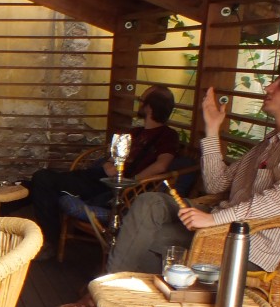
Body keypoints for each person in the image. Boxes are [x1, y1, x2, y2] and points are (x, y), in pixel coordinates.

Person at [57, 62, 280, 307]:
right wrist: (212, 130)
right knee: (149, 203)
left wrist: (214, 219)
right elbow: (217, 184)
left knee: (137, 241)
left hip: (248, 247)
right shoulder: (268, 143)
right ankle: (113, 298)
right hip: (217, 230)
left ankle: (116, 304)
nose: (269, 87)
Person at [29, 85, 180, 259]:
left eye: (141, 100)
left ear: (150, 107)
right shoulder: (136, 132)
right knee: (41, 181)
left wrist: (130, 182)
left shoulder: (167, 135)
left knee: (42, 180)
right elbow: (113, 157)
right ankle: (40, 233)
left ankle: (49, 242)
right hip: (101, 176)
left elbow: (162, 165)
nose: (138, 103)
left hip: (115, 188)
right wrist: (109, 164)